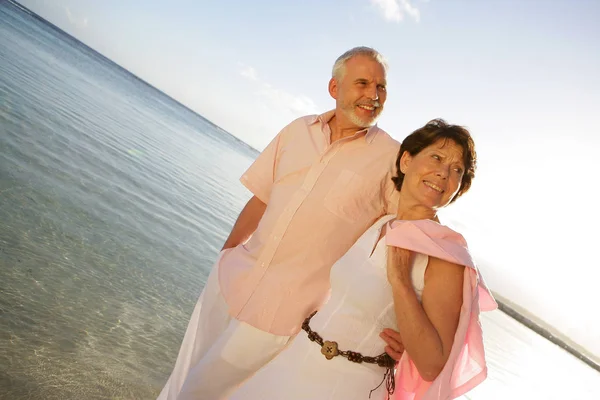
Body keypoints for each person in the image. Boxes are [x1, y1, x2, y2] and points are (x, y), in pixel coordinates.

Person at [157, 46, 408, 400]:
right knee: (185, 377)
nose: (373, 95)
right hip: (233, 280)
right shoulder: (297, 130)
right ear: (334, 88)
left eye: (381, 87)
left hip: (285, 314)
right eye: (363, 83)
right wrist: (224, 254)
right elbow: (261, 197)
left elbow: (415, 239)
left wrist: (408, 330)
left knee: (199, 392)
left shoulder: (393, 161)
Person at [228, 119, 497, 400]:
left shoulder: (444, 256)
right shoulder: (382, 222)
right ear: (406, 161)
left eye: (456, 170)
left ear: (458, 188)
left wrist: (400, 281)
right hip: (290, 363)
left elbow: (432, 366)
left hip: (348, 386)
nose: (443, 173)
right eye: (437, 157)